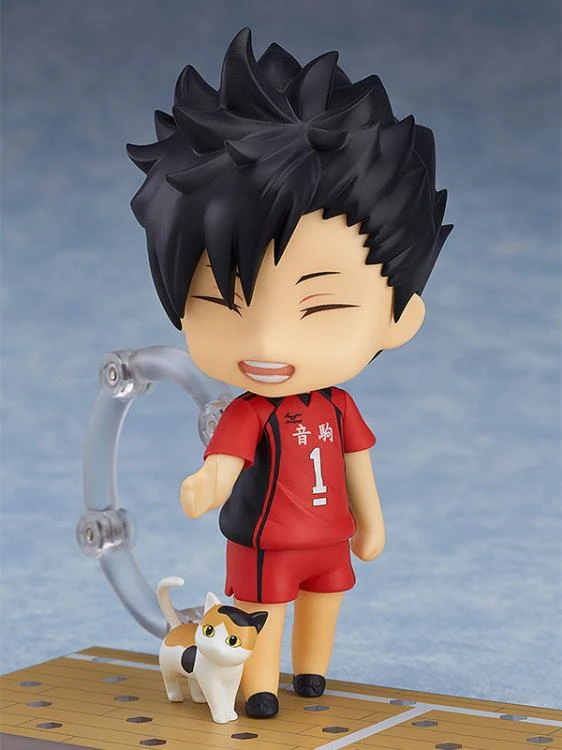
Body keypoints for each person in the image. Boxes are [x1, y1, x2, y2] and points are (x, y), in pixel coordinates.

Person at [127, 27, 452, 718]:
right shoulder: (250, 412)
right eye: (224, 303)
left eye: (321, 305)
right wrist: (207, 485)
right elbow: (225, 461)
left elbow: (359, 464)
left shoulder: (338, 409)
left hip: (329, 538)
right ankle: (260, 684)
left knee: (326, 600)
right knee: (259, 611)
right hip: (265, 542)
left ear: (399, 318)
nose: (268, 341)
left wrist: (371, 522)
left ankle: (312, 671)